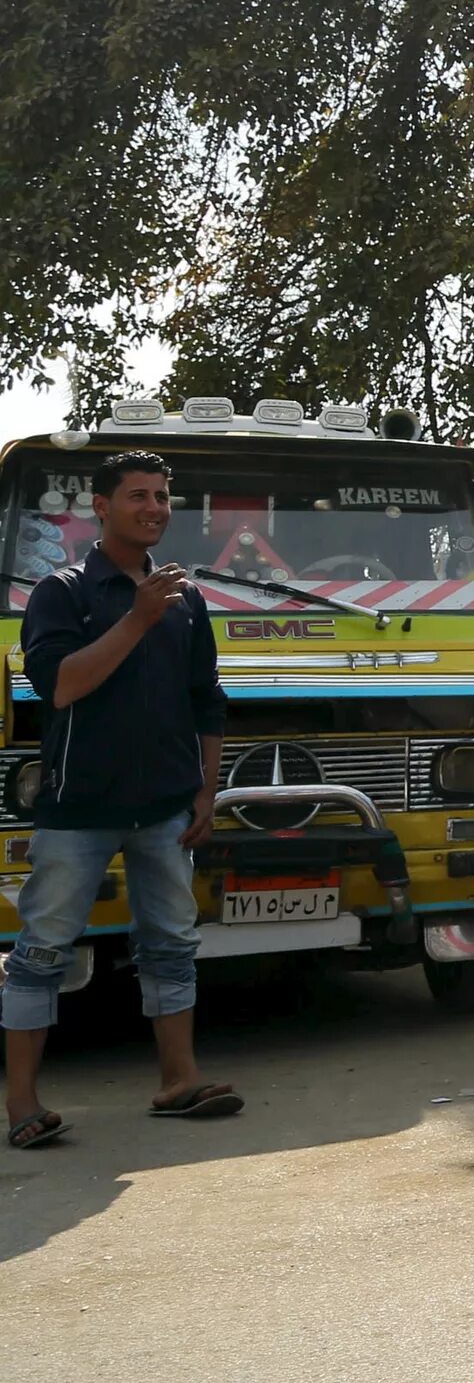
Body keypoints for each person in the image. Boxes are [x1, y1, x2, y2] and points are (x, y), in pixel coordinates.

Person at [4, 452, 238, 1150]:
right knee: (41, 951)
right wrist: (135, 619)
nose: (156, 507)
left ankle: (179, 1078)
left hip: (166, 808)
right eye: (139, 495)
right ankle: (21, 1103)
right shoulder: (63, 591)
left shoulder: (185, 597)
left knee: (171, 945)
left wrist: (206, 786)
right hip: (79, 810)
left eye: (163, 496)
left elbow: (207, 700)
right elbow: (62, 686)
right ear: (100, 507)